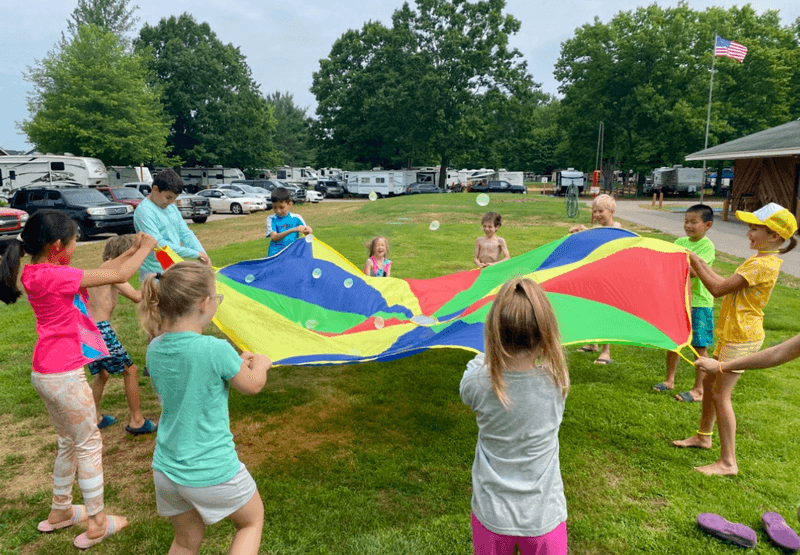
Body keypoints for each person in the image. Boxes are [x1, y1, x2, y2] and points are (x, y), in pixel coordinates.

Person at [0, 210, 157, 549]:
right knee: (88, 444)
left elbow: (109, 270)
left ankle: (60, 511)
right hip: (65, 375)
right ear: (57, 246)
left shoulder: (37, 272)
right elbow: (118, 273)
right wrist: (148, 248)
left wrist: (133, 248)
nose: (75, 248)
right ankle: (98, 523)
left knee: (68, 441)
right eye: (73, 243)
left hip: (45, 373)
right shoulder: (56, 277)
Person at [139, 260, 272, 555]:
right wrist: (259, 365)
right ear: (203, 303)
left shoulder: (154, 349)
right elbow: (253, 384)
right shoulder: (215, 349)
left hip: (167, 469)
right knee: (251, 521)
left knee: (186, 541)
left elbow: (194, 370)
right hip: (211, 468)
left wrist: (235, 362)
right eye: (217, 298)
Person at [673, 203, 798, 475]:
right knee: (708, 383)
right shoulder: (758, 260)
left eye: (754, 229)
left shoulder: (762, 265)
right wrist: (699, 260)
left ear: (774, 236)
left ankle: (728, 462)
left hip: (742, 337)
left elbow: (717, 289)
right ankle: (703, 436)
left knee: (720, 394)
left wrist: (694, 260)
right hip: (732, 333)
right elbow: (723, 283)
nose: (748, 234)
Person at [460, 277, 569, 555]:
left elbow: (473, 376)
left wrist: (486, 349)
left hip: (492, 515)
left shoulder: (478, 381)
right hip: (545, 517)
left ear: (493, 331)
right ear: (546, 332)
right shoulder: (558, 380)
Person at [87, 234, 156, 436]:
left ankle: (94, 418)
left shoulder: (101, 269)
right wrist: (157, 283)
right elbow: (136, 296)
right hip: (101, 330)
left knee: (103, 373)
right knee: (131, 370)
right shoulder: (111, 271)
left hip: (91, 330)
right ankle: (137, 420)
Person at [651, 204, 715, 401]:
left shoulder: (707, 246)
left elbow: (695, 273)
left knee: (699, 346)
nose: (688, 225)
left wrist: (680, 262)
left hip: (699, 303)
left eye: (693, 222)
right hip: (679, 300)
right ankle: (669, 380)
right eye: (686, 221)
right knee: (673, 342)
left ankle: (699, 390)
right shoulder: (679, 241)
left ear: (707, 225)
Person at [133, 168, 212, 281]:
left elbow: (185, 233)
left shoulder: (171, 208)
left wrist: (203, 255)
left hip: (173, 271)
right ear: (155, 189)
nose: (171, 202)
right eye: (168, 197)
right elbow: (159, 245)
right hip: (154, 276)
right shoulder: (144, 211)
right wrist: (195, 254)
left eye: (174, 199)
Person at [570, 194, 621, 364]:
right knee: (591, 307)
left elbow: (607, 239)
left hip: (610, 278)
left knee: (606, 312)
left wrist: (588, 232)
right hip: (595, 274)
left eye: (601, 211)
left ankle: (606, 351)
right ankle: (593, 344)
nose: (597, 215)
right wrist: (579, 234)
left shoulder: (617, 228)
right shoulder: (597, 228)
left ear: (611, 212)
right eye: (594, 211)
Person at [266, 187, 313, 257]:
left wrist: (308, 230)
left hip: (292, 254)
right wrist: (293, 229)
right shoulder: (271, 219)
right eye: (274, 207)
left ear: (290, 204)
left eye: (281, 207)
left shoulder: (296, 217)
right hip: (275, 255)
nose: (278, 211)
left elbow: (307, 232)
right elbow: (274, 237)